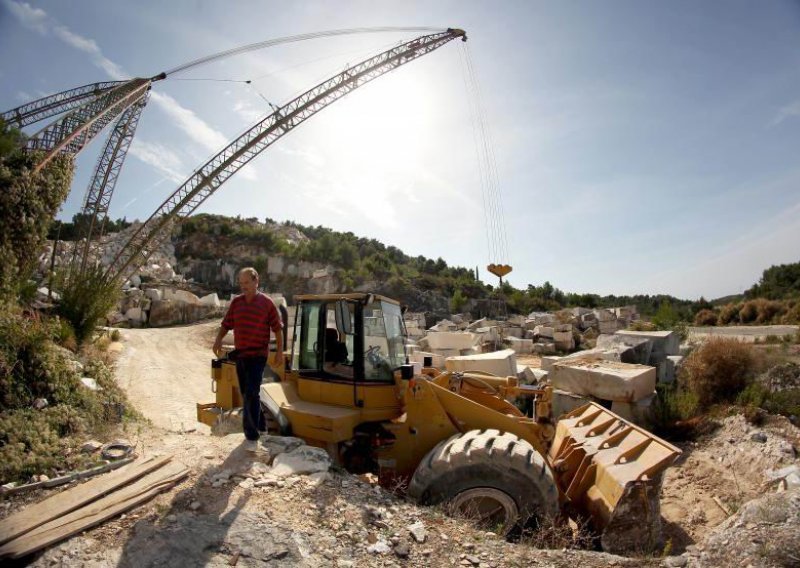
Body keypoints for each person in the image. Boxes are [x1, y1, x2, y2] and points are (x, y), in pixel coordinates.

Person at [213, 267, 283, 452]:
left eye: (246, 283)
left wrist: (280, 352)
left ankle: (251, 436)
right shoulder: (237, 303)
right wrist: (218, 339)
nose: (243, 287)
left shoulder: (267, 303)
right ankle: (262, 426)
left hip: (258, 356)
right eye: (241, 283)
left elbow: (277, 328)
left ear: (256, 281)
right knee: (249, 394)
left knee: (251, 392)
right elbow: (226, 324)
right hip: (241, 355)